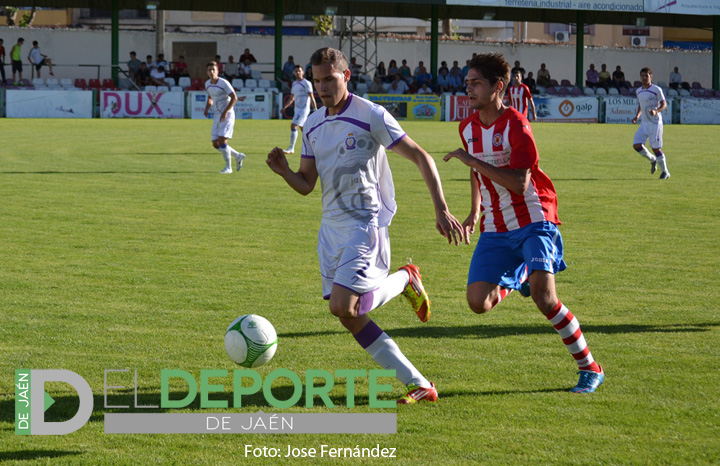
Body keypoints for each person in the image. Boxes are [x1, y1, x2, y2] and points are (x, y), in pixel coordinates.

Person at [266, 47, 465, 405]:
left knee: (343, 306)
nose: (323, 87)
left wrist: (441, 209)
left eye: (330, 79)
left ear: (346, 76)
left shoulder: (371, 115)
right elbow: (307, 184)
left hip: (365, 224)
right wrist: (284, 172)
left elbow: (421, 156)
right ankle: (419, 382)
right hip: (331, 230)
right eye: (317, 81)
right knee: (347, 315)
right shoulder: (313, 124)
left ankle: (405, 279)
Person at [443, 52, 605, 394]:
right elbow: (477, 172)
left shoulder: (516, 125)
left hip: (534, 219)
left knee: (545, 299)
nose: (467, 89)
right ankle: (520, 275)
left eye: (475, 83)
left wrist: (470, 159)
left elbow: (519, 182)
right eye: (466, 83)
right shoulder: (467, 127)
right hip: (496, 227)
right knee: (478, 303)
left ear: (498, 87)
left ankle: (589, 367)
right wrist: (474, 211)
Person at [203, 61, 245, 174]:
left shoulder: (224, 83)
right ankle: (238, 156)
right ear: (206, 72)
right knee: (215, 144)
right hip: (217, 115)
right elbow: (210, 97)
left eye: (213, 70)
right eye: (209, 70)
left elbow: (234, 98)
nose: (211, 72)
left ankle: (228, 168)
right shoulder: (207, 84)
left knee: (222, 140)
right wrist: (207, 108)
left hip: (227, 114)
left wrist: (226, 111)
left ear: (218, 71)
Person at [632, 67, 670, 180]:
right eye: (642, 76)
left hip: (655, 123)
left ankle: (665, 172)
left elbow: (664, 104)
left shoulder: (656, 89)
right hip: (644, 123)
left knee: (656, 148)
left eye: (646, 76)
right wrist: (637, 116)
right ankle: (652, 160)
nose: (644, 77)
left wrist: (656, 111)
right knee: (636, 145)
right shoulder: (638, 91)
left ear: (651, 77)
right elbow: (641, 104)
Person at [281, 65, 317, 154]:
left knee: (293, 126)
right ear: (293, 73)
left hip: (304, 109)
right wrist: (285, 107)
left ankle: (291, 148)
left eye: (299, 71)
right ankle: (314, 147)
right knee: (303, 129)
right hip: (297, 109)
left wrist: (315, 109)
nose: (297, 73)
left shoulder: (306, 83)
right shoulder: (294, 84)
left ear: (303, 72)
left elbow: (311, 96)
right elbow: (291, 98)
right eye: (296, 71)